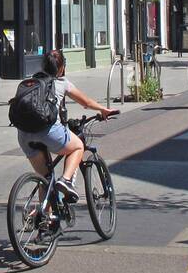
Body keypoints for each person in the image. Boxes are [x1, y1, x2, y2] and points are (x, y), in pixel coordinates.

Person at [14, 49, 113, 205]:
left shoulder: (32, 82)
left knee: (44, 178)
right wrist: (102, 109)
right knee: (78, 147)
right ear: (61, 68)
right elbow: (86, 102)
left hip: (24, 134)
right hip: (48, 131)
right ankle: (66, 180)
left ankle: (46, 219)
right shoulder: (62, 83)